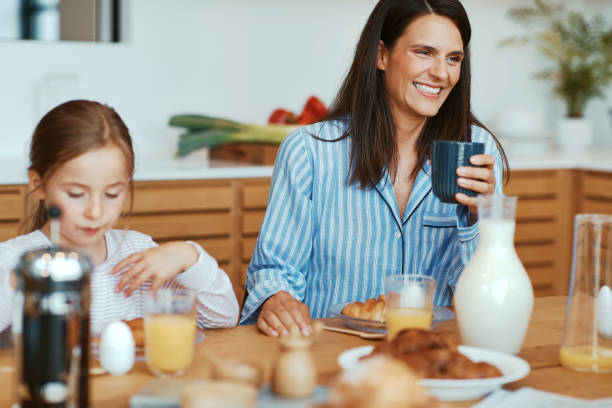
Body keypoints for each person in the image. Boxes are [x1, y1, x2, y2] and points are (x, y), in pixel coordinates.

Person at [240, 0, 508, 337]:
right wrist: (276, 299)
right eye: (424, 52)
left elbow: (492, 293)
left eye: (453, 58)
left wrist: (478, 218)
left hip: (434, 354)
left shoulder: (476, 152)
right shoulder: (309, 151)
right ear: (382, 55)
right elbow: (275, 269)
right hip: (332, 353)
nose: (442, 73)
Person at [0, 100, 239, 335]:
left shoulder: (140, 256)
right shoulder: (11, 262)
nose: (95, 212)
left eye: (112, 193)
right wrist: (21, 281)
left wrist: (188, 256)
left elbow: (223, 316)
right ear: (38, 184)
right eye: (76, 194)